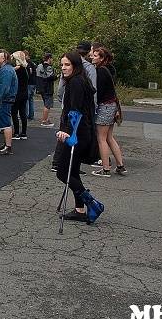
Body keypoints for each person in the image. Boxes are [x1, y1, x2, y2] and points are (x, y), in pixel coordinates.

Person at [54, 51, 104, 223]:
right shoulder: (81, 80)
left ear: (75, 65)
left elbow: (75, 110)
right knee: (72, 171)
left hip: (76, 133)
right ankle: (80, 209)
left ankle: (92, 203)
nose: (63, 68)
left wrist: (67, 131)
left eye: (67, 64)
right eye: (62, 65)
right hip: (83, 132)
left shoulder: (75, 83)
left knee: (62, 171)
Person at [90, 46, 127, 177]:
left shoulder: (100, 71)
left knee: (101, 139)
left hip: (104, 107)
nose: (92, 57)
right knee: (109, 137)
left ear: (102, 58)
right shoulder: (108, 70)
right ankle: (120, 165)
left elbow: (98, 92)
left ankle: (105, 168)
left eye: (95, 56)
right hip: (112, 106)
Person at [0, 50, 17, 155]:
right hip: (4, 100)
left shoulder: (6, 71)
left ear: (4, 59)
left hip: (4, 100)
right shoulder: (7, 69)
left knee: (5, 123)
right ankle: (6, 144)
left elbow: (4, 88)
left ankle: (8, 147)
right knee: (4, 123)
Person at [11, 50, 29, 141]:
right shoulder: (26, 68)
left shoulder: (17, 69)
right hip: (24, 93)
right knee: (23, 113)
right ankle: (24, 132)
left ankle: (16, 132)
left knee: (14, 113)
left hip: (17, 93)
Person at [36, 53, 57, 127]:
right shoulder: (49, 67)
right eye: (51, 59)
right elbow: (50, 76)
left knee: (45, 103)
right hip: (48, 88)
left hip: (41, 87)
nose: (52, 60)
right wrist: (56, 76)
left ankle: (46, 119)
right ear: (49, 59)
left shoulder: (39, 66)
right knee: (47, 105)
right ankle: (44, 121)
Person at [25, 50, 37, 120]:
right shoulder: (33, 63)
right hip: (33, 83)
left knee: (27, 99)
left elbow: (29, 73)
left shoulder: (28, 63)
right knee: (31, 99)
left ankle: (25, 114)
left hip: (29, 83)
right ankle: (31, 115)